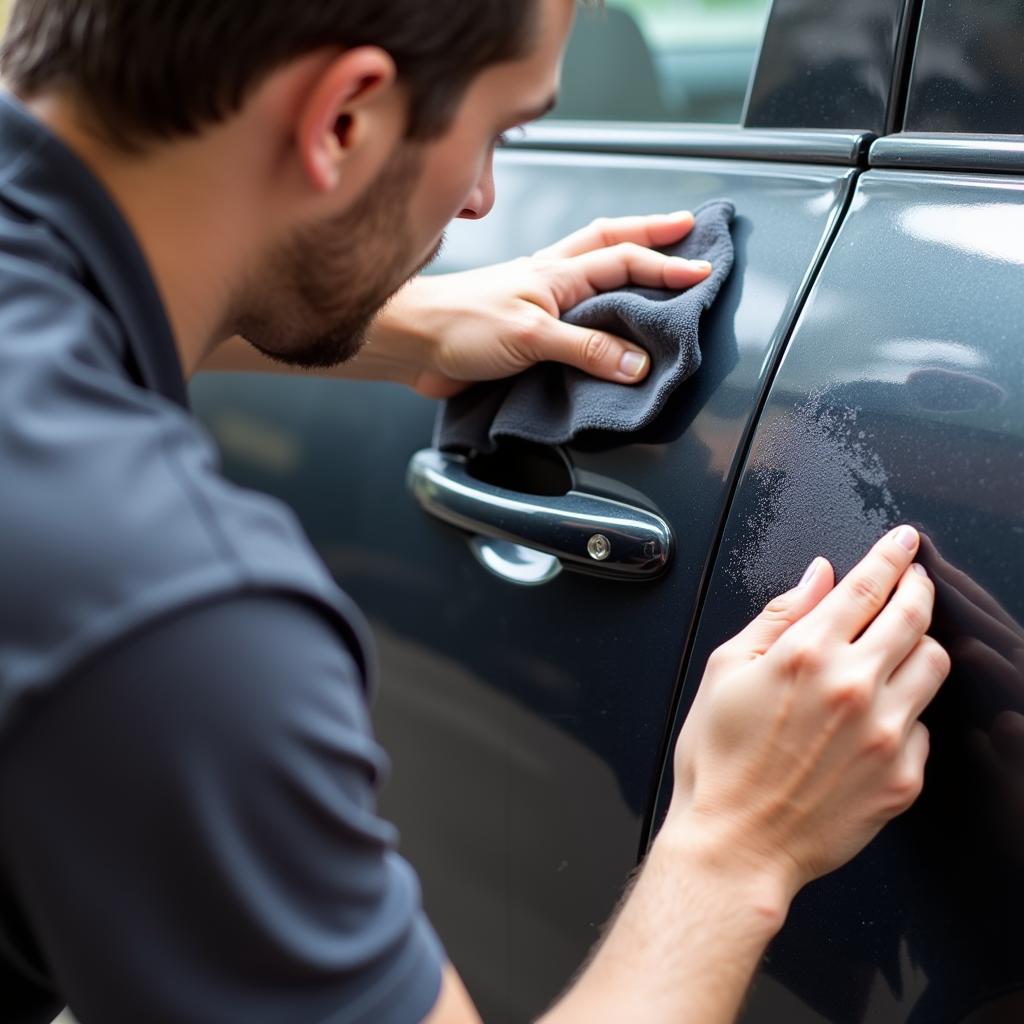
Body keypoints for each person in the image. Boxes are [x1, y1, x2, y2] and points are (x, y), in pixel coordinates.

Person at [0, 1, 950, 1022]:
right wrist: (731, 845)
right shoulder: (170, 609)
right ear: (343, 120)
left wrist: (399, 325)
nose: (485, 200)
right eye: (500, 132)